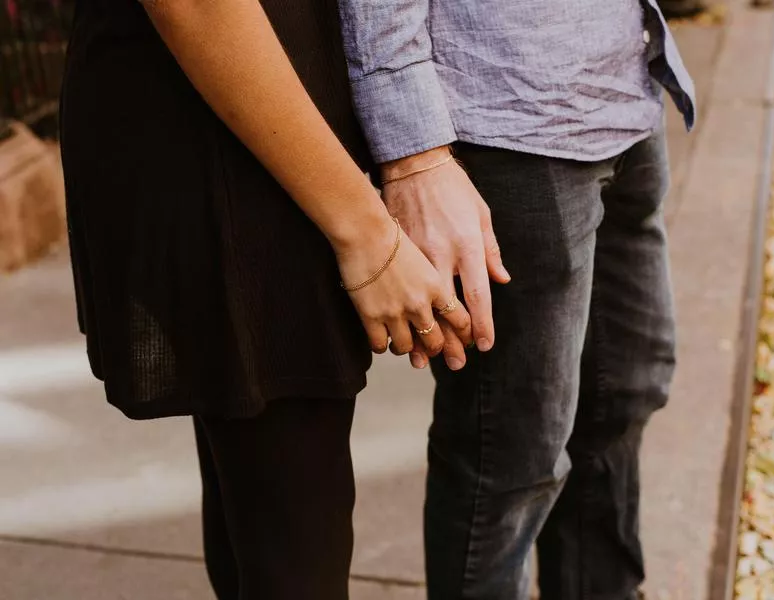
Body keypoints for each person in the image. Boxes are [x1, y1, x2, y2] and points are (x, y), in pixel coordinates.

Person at [58, 0, 481, 598]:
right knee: (291, 550)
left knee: (261, 517)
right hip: (239, 146)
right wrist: (367, 235)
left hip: (262, 126)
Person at [337, 0, 696, 598]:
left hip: (628, 87)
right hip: (506, 120)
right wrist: (414, 158)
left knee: (625, 393)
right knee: (511, 457)